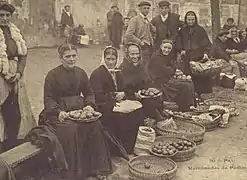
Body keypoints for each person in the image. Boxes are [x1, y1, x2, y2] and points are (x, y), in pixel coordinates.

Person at [39, 43, 112, 180]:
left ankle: (96, 168)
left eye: (74, 56)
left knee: (95, 125)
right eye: (67, 57)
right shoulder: (52, 75)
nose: (71, 59)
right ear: (61, 58)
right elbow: (48, 99)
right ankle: (76, 173)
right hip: (58, 115)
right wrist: (58, 112)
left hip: (78, 111)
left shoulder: (81, 72)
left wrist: (90, 105)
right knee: (72, 129)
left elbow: (89, 92)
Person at [0, 2, 36, 153]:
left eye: (7, 15)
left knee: (17, 106)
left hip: (15, 72)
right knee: (1, 106)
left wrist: (18, 72)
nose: (5, 18)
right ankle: (2, 141)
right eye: (1, 15)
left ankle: (17, 138)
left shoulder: (15, 32)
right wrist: (3, 73)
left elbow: (23, 55)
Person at [90, 46, 144, 154]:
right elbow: (97, 95)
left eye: (113, 59)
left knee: (137, 112)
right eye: (108, 59)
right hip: (103, 105)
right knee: (120, 116)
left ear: (116, 59)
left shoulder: (118, 72)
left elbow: (124, 89)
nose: (110, 62)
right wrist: (114, 96)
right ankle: (117, 149)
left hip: (118, 103)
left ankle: (130, 147)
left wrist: (124, 93)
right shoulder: (97, 74)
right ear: (104, 59)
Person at [146, 40, 195, 112]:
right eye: (165, 47)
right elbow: (165, 70)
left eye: (169, 48)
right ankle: (185, 107)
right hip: (160, 82)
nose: (166, 50)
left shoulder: (167, 56)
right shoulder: (156, 57)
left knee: (189, 82)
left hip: (167, 78)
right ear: (161, 47)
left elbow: (171, 67)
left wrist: (173, 70)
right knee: (185, 85)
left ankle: (190, 105)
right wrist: (173, 70)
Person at [120, 43, 162, 119]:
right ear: (127, 55)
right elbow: (123, 88)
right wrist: (134, 94)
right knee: (148, 103)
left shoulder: (141, 66)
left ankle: (154, 118)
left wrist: (150, 87)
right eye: (132, 54)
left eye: (137, 54)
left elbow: (147, 80)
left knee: (155, 98)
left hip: (142, 94)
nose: (135, 56)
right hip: (129, 96)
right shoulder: (123, 68)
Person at [176, 11, 213, 99]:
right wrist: (181, 50)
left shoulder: (200, 30)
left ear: (195, 20)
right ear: (186, 20)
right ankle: (189, 93)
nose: (190, 21)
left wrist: (205, 53)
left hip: (198, 55)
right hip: (187, 56)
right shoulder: (182, 30)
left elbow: (206, 44)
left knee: (198, 76)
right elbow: (178, 42)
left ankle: (199, 93)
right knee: (188, 76)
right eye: (189, 20)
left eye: (192, 20)